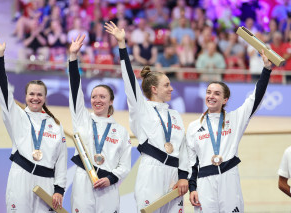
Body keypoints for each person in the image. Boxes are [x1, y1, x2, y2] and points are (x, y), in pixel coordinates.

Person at [105, 21, 189, 213]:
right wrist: (122, 45)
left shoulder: (175, 115)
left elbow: (183, 149)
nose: (171, 88)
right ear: (154, 89)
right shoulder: (141, 108)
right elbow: (129, 80)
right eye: (167, 85)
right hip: (151, 171)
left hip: (175, 176)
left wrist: (183, 176)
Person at [187, 50, 272, 212]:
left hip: (229, 178)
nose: (211, 96)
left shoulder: (235, 119)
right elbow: (192, 162)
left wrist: (266, 69)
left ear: (225, 100)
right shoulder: (193, 127)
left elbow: (255, 99)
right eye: (209, 92)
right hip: (205, 182)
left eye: (217, 94)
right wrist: (193, 188)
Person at [0, 37, 67, 212]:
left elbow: (61, 160)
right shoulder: (17, 116)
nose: (35, 98)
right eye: (31, 94)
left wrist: (59, 189)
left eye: (39, 95)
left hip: (46, 183)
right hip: (21, 178)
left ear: (45, 98)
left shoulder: (55, 125)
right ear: (25, 96)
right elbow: (3, 93)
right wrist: (0, 58)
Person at [68, 35, 131, 213]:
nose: (97, 100)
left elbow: (125, 165)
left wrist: (111, 178)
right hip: (83, 182)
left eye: (102, 97)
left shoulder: (120, 131)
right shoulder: (82, 119)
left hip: (108, 188)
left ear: (111, 101)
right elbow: (74, 91)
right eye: (94, 96)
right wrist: (73, 58)